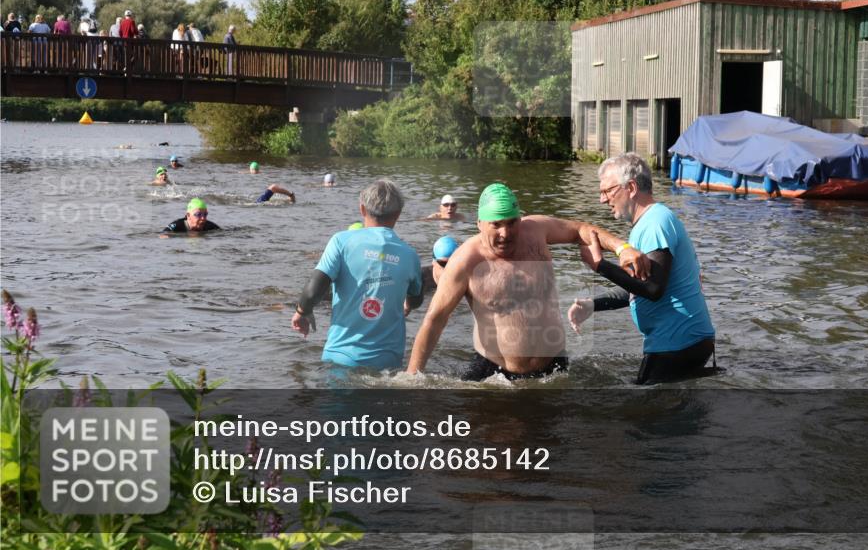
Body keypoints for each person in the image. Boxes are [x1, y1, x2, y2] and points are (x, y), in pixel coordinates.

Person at [406, 182, 649, 381]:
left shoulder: (535, 230)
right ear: (480, 224)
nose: (505, 233)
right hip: (496, 374)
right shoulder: (465, 261)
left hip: (554, 365)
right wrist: (412, 378)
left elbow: (580, 229)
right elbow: (435, 319)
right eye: (496, 225)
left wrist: (622, 247)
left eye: (511, 222)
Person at [567, 152, 716, 385]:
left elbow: (653, 289)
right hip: (682, 340)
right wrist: (593, 305)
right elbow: (637, 289)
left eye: (607, 191)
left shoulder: (656, 223)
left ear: (632, 187)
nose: (602, 199)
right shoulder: (647, 223)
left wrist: (600, 265)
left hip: (678, 342)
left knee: (645, 414)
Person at [291, 180, 423, 370]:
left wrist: (302, 312)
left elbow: (312, 292)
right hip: (388, 361)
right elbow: (416, 299)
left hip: (341, 358)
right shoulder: (410, 255)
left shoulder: (341, 242)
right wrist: (408, 305)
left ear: (362, 209)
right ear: (398, 214)